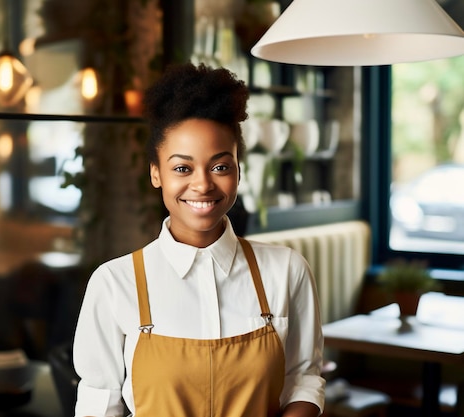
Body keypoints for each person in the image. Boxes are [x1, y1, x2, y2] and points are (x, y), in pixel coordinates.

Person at [72, 63, 325, 417]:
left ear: (239, 170)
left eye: (220, 166)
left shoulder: (286, 271)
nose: (203, 184)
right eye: (182, 168)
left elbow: (303, 380)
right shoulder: (115, 283)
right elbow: (99, 406)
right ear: (156, 173)